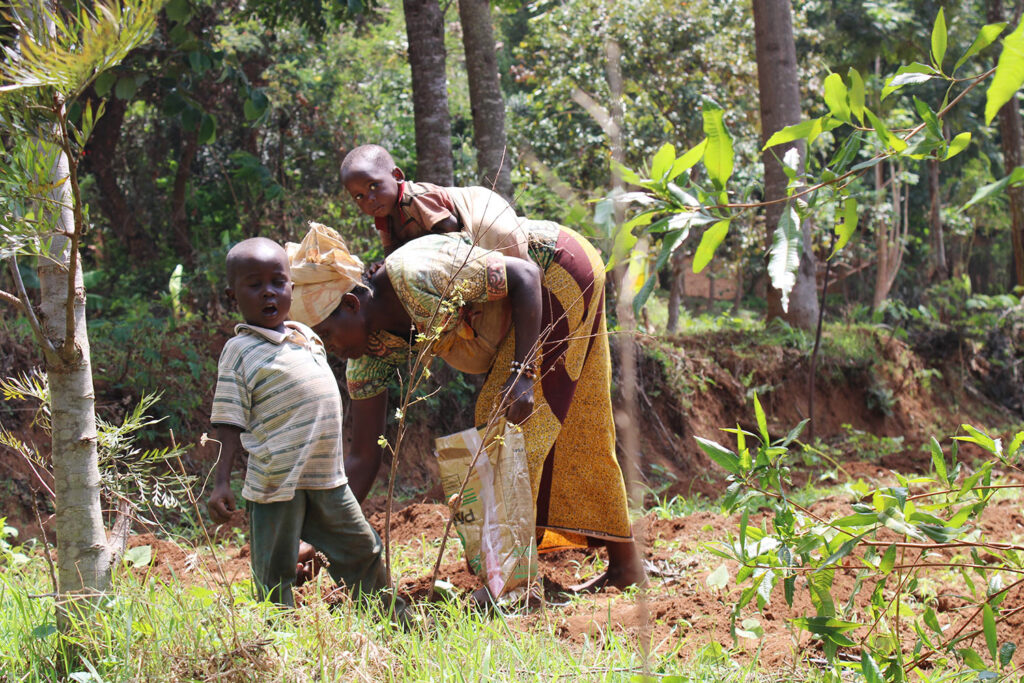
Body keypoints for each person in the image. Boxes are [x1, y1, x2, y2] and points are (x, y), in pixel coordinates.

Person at [286, 222, 647, 600]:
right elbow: (363, 457)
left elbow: (525, 274)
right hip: (535, 294)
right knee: (580, 424)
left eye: (327, 334)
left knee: (501, 420)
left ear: (351, 305)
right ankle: (625, 566)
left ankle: (511, 585)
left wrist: (522, 374)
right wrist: (319, 539)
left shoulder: (413, 274)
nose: (329, 347)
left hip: (556, 266)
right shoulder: (366, 357)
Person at [206, 237, 395, 609]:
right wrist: (222, 480)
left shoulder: (307, 336)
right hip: (277, 482)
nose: (269, 293)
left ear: (292, 285)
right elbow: (228, 421)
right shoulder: (239, 351)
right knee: (274, 571)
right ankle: (278, 638)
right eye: (255, 285)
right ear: (233, 297)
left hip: (327, 477)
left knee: (363, 548)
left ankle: (391, 618)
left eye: (278, 282)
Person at [340, 143, 528, 259]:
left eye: (374, 185)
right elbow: (392, 256)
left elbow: (451, 228)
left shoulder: (414, 198)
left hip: (478, 206)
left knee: (501, 240)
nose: (369, 199)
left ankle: (532, 275)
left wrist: (412, 253)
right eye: (359, 196)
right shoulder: (384, 218)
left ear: (397, 176)